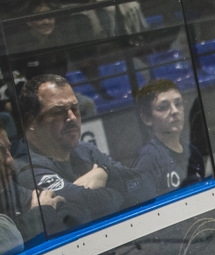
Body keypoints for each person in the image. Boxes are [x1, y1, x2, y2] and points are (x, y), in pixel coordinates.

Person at [13, 74, 155, 230]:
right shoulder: (25, 168)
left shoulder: (86, 150)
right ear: (30, 121)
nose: (72, 117)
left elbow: (146, 185)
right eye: (59, 111)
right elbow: (90, 208)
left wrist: (105, 173)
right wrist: (118, 190)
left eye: (75, 108)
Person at [0, 122, 65, 254]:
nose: (10, 160)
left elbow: (62, 206)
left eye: (8, 150)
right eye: (1, 151)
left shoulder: (8, 189)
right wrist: (40, 213)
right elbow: (10, 239)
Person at [133, 79, 205, 197]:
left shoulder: (194, 153)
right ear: (147, 119)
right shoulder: (149, 159)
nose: (175, 111)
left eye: (178, 104)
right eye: (163, 107)